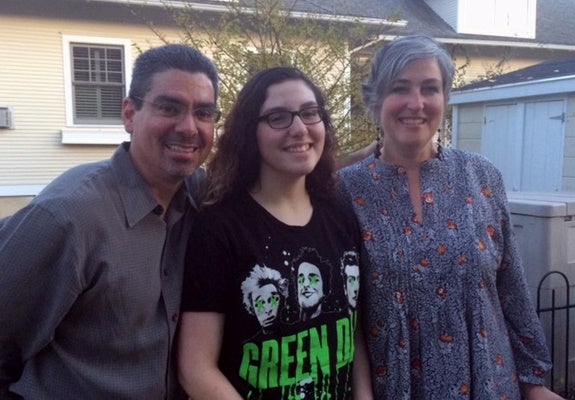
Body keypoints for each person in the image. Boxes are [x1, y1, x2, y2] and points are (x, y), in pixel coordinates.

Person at [337, 35, 564, 400]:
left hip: (488, 384)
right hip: (395, 387)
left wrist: (534, 384)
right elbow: (349, 316)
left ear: (445, 98)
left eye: (430, 88)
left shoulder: (482, 176)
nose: (416, 103)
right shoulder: (346, 190)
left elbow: (513, 289)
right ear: (376, 100)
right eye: (400, 88)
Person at [0, 43, 220, 399]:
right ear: (130, 114)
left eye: (204, 113)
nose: (188, 127)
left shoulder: (204, 198)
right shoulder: (67, 217)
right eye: (169, 107)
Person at [177, 66, 373, 399]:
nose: (299, 129)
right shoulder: (220, 228)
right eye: (278, 117)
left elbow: (351, 333)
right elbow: (195, 368)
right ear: (249, 132)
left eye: (310, 113)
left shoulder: (341, 213)